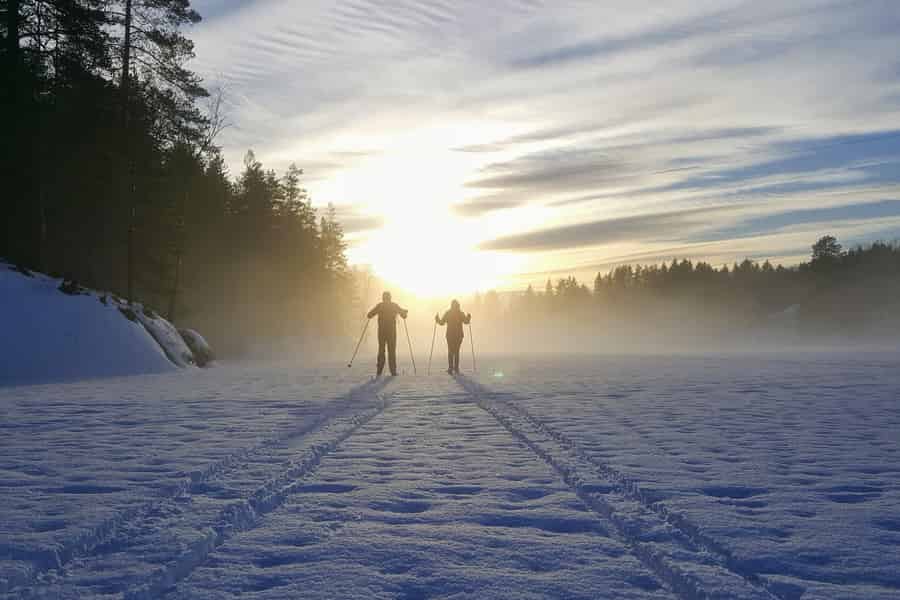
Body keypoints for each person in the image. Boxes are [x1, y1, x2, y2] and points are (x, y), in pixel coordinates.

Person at [367, 291, 409, 376]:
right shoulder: (394, 305)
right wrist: (404, 312)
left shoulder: (380, 305)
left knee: (381, 350)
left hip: (381, 332)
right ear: (390, 297)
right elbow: (404, 316)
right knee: (392, 351)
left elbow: (369, 315)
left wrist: (373, 313)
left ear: (383, 297)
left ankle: (379, 371)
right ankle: (393, 371)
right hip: (392, 332)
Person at [436, 299, 471, 375]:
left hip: (450, 335)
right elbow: (466, 322)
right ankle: (456, 368)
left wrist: (437, 319)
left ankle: (450, 368)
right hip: (459, 336)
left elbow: (442, 323)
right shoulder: (460, 313)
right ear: (458, 305)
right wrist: (468, 317)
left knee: (450, 351)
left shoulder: (448, 313)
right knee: (457, 351)